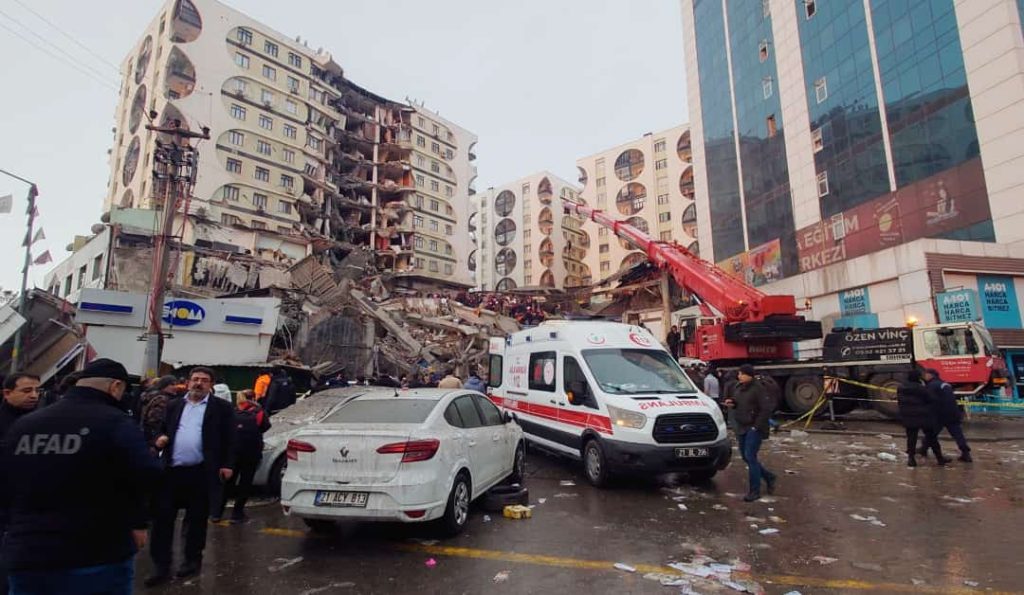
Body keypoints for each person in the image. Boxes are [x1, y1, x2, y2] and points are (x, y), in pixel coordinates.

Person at [0, 359, 160, 594]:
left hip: (28, 552)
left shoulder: (25, 425)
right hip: (96, 553)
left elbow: (6, 484)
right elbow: (147, 474)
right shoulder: (115, 422)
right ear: (115, 386)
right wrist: (137, 520)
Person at [146, 367, 235, 586]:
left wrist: (227, 464)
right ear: (187, 383)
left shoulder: (221, 408)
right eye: (195, 379)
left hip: (201, 472)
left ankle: (191, 561)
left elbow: (230, 438)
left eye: (204, 381)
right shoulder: (175, 405)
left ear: (210, 385)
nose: (198, 384)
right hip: (171, 471)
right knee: (162, 520)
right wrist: (158, 439)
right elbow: (159, 429)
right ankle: (161, 566)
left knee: (196, 521)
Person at [213, 393, 270, 523]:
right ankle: (237, 514)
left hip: (233, 452)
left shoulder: (233, 411)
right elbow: (265, 427)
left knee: (228, 483)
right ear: (253, 398)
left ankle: (217, 513)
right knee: (245, 483)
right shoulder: (259, 412)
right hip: (251, 452)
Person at [725, 364, 777, 502]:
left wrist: (756, 426)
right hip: (741, 426)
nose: (739, 376)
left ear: (749, 375)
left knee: (750, 456)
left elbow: (765, 409)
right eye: (739, 373)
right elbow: (739, 402)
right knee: (745, 457)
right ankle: (769, 477)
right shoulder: (738, 387)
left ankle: (755, 491)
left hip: (754, 428)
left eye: (741, 374)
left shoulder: (758, 389)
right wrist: (732, 403)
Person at [898, 370, 948, 467]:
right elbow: (932, 399)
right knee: (932, 438)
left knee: (911, 439)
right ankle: (940, 458)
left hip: (909, 417)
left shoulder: (901, 388)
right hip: (923, 416)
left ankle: (911, 459)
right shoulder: (922, 388)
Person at [922, 368, 972, 463]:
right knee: (958, 434)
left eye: (926, 374)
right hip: (953, 412)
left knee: (931, 433)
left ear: (931, 375)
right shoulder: (945, 384)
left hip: (940, 414)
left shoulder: (932, 386)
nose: (925, 376)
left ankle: (923, 449)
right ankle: (966, 453)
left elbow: (931, 400)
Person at [140, 375, 179, 451]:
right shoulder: (162, 399)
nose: (175, 387)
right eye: (172, 384)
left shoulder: (152, 396)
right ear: (164, 385)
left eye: (175, 384)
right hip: (154, 439)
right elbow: (155, 421)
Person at [0, 373, 41, 438]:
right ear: (7, 393)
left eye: (37, 391)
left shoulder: (44, 417)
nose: (34, 396)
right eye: (27, 391)